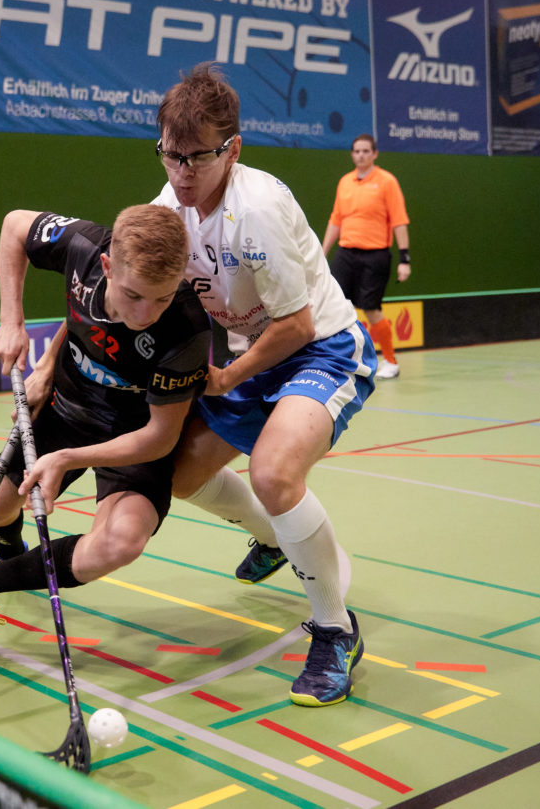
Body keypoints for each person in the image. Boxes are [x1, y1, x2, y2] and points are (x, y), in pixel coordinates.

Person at [150, 62, 377, 707]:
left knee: (274, 474)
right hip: (253, 351)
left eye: (198, 157)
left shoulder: (258, 210)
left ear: (233, 150)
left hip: (322, 348)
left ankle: (335, 630)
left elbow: (297, 325)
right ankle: (276, 539)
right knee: (180, 474)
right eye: (170, 154)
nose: (182, 172)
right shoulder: (170, 206)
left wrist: (226, 376)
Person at [0, 205, 212, 672]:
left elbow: (160, 437)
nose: (145, 314)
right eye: (133, 295)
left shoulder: (186, 328)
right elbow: (14, 226)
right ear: (107, 266)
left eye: (162, 298)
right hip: (68, 406)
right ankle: (10, 554)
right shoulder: (83, 248)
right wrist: (12, 321)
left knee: (121, 543)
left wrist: (66, 458)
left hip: (133, 437)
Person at [322, 134, 411, 379]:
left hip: (376, 256)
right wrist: (322, 252)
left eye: (365, 151)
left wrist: (405, 259)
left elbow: (399, 221)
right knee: (336, 306)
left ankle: (390, 361)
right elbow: (336, 220)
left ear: (374, 154)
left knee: (371, 309)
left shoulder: (387, 182)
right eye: (357, 151)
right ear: (352, 154)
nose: (361, 155)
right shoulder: (345, 182)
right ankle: (339, 359)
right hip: (345, 254)